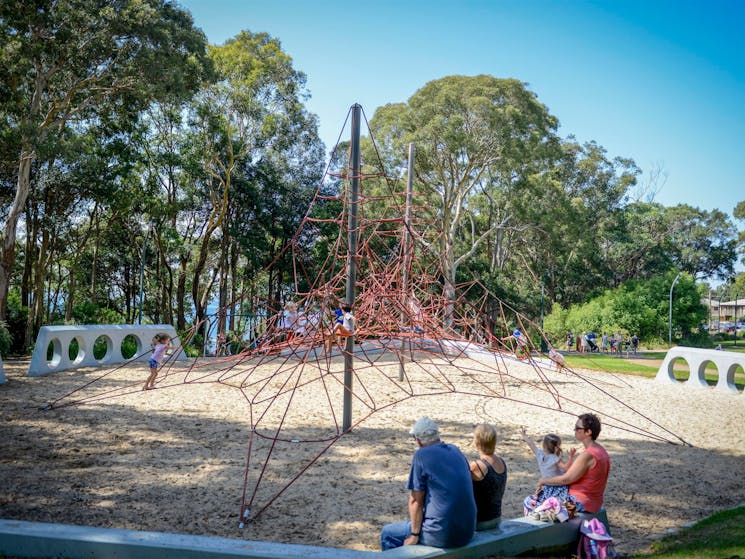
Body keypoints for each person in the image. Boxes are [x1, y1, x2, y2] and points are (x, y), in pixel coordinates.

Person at [380, 417, 476, 550]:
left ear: (418, 440)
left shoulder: (421, 455)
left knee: (388, 533)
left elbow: (415, 501)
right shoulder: (456, 450)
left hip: (441, 534)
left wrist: (414, 534)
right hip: (467, 531)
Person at [535, 413, 611, 514]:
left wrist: (543, 480)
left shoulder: (588, 454)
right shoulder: (601, 451)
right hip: (594, 502)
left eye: (577, 428)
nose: (575, 430)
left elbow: (566, 479)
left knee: (531, 501)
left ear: (588, 432)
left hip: (580, 502)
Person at [521, 427, 575, 512]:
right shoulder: (554, 458)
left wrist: (524, 436)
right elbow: (566, 468)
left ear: (544, 445)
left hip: (547, 486)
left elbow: (530, 443)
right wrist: (571, 457)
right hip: (558, 485)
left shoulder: (539, 454)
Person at [470, 424, 507, 530]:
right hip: (496, 517)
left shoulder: (477, 466)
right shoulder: (501, 462)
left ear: (477, 443)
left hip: (480, 521)